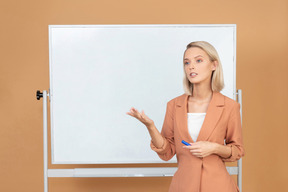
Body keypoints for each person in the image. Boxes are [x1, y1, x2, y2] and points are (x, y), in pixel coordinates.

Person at [126, 41, 245, 192]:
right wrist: (150, 126)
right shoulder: (174, 105)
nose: (191, 66)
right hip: (184, 185)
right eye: (186, 62)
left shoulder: (229, 106)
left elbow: (237, 150)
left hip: (218, 186)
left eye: (199, 60)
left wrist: (214, 148)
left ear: (214, 65)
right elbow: (167, 151)